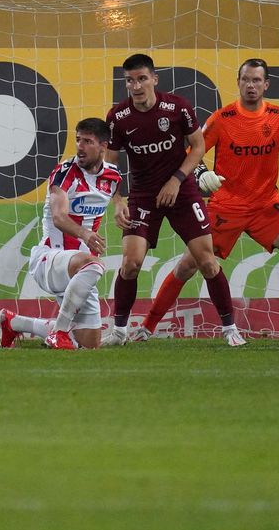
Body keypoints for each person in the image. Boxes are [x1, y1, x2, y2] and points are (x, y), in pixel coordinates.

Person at [132, 58, 279, 343]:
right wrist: (201, 173)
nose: (251, 85)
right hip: (226, 206)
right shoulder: (222, 119)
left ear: (266, 84)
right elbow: (190, 150)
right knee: (187, 266)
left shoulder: (278, 116)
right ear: (238, 82)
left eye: (257, 80)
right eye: (246, 79)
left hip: (265, 206)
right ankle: (146, 328)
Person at [101, 53, 238, 347]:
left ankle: (230, 329)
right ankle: (119, 331)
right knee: (130, 264)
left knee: (207, 262)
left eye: (141, 79)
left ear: (154, 79)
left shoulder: (177, 107)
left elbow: (198, 146)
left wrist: (176, 180)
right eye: (129, 81)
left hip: (182, 191)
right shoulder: (118, 117)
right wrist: (117, 200)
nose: (136, 86)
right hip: (142, 196)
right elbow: (109, 163)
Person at [0, 118, 122, 350]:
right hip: (51, 259)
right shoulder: (65, 173)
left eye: (87, 141)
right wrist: (84, 233)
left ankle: (15, 322)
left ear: (103, 146)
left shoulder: (113, 176)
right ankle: (59, 332)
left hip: (81, 272)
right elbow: (59, 217)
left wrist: (120, 206)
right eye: (78, 140)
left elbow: (114, 193)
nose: (80, 147)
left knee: (89, 345)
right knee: (95, 265)